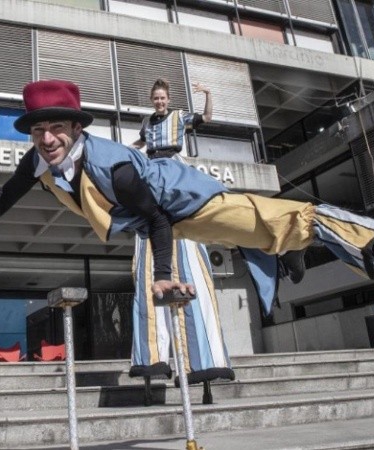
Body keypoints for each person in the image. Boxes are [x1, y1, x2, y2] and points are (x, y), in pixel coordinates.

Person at [0, 79, 374, 318]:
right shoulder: (36, 161)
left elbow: (158, 220)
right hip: (170, 219)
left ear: (77, 129)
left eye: (57, 128)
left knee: (304, 217)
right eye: (39, 130)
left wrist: (163, 278)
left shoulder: (112, 166)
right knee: (275, 232)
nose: (47, 139)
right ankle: (277, 249)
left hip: (191, 203)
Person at [125, 79, 233, 390]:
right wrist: (122, 153)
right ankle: (153, 357)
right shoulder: (148, 123)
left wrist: (210, 94)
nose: (159, 101)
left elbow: (207, 119)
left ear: (168, 99)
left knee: (185, 241)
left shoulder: (179, 117)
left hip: (174, 168)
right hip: (152, 170)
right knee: (150, 236)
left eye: (162, 98)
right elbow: (139, 144)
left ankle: (201, 359)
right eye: (155, 98)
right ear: (152, 100)